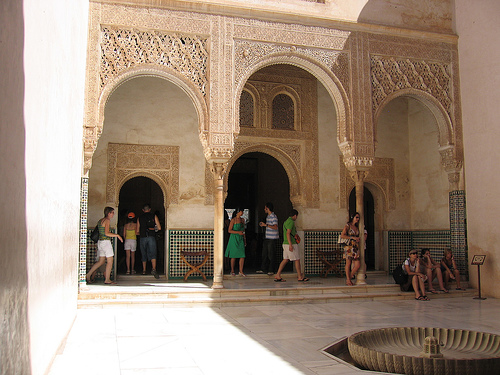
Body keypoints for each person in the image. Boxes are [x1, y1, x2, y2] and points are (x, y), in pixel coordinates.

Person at [86, 207, 123, 285]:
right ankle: (107, 279)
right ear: (109, 213)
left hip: (100, 242)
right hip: (106, 242)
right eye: (112, 212)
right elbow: (106, 233)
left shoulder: (100, 220)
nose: (113, 214)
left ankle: (88, 275)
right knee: (110, 261)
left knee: (101, 261)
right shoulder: (107, 220)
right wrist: (117, 235)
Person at [274, 209, 308, 282]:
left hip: (285, 243)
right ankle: (300, 276)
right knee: (297, 259)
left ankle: (278, 275)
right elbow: (288, 233)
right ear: (295, 215)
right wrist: (290, 244)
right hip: (291, 243)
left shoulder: (286, 222)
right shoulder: (291, 222)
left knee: (285, 259)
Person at [136, 203, 161, 279]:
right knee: (153, 253)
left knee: (143, 253)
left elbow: (137, 231)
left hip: (143, 237)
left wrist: (142, 232)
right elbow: (159, 228)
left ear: (143, 210)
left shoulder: (139, 218)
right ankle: (154, 269)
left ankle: (144, 270)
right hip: (151, 237)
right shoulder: (154, 216)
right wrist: (153, 230)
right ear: (150, 209)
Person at [256, 202, 279, 276]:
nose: (264, 209)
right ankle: (263, 268)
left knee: (271, 254)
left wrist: (266, 225)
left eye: (265, 208)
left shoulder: (274, 217)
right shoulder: (268, 217)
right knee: (264, 254)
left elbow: (275, 227)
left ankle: (271, 270)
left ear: (268, 208)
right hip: (267, 237)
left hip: (272, 238)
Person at [340, 212, 361, 286]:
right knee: (348, 263)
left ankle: (349, 278)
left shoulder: (357, 227)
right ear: (353, 217)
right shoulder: (348, 226)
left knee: (357, 264)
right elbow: (342, 235)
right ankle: (349, 280)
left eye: (358, 217)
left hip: (355, 247)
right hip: (349, 246)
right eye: (356, 217)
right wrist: (352, 238)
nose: (358, 219)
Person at [225, 207, 246, 276]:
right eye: (241, 211)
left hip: (240, 239)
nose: (242, 213)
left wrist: (244, 239)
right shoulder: (233, 220)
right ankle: (232, 270)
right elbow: (229, 230)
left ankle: (241, 271)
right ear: (237, 212)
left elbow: (244, 231)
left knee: (242, 255)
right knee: (233, 255)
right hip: (234, 238)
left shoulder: (243, 220)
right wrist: (237, 232)